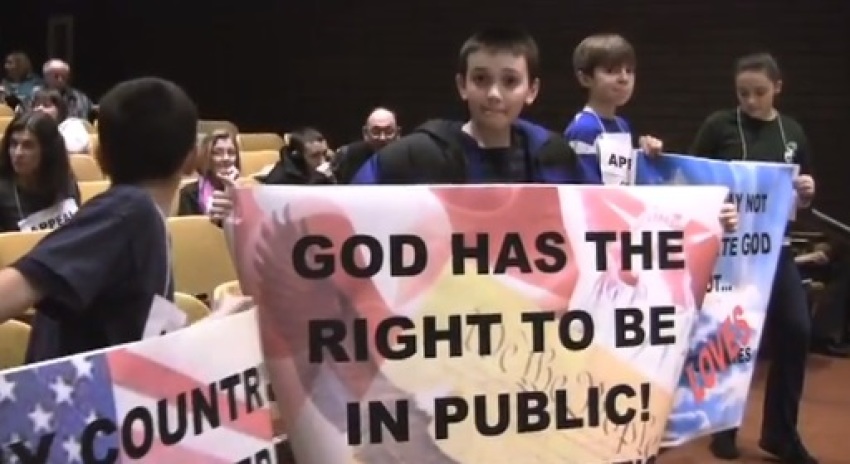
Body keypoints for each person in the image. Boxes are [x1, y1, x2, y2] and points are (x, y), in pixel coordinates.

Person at [0, 77, 199, 363]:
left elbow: (151, 342)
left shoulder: (143, 220)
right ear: (192, 158)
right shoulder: (128, 213)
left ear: (99, 156)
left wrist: (216, 325)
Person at [690, 52, 818, 464]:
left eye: (759, 92)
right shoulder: (718, 126)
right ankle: (722, 429)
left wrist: (808, 191)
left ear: (778, 88)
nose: (750, 101)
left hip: (774, 250)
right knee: (732, 336)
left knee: (797, 331)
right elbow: (694, 177)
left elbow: (803, 199)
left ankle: (781, 433)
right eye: (743, 93)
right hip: (729, 252)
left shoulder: (792, 131)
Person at [351, 27, 583, 184]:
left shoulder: (555, 156)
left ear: (532, 90)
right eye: (481, 79)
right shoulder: (414, 156)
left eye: (510, 81)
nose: (494, 94)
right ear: (462, 85)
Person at [563, 33, 664, 184]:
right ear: (585, 78)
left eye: (629, 71)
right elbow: (583, 190)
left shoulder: (622, 126)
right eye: (611, 71)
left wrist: (644, 152)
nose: (624, 78)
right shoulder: (584, 129)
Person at [0, 111, 79, 232]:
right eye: (14, 144)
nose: (18, 153)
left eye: (28, 146)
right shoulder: (3, 191)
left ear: (47, 151)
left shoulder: (65, 181)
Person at [178, 129, 240, 216]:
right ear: (206, 158)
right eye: (217, 153)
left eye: (231, 153)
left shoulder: (247, 191)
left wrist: (231, 189)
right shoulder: (189, 193)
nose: (226, 158)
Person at [333, 107, 400, 183]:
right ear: (365, 133)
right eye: (376, 132)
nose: (382, 138)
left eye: (389, 131)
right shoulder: (346, 155)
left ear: (398, 133)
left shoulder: (408, 158)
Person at [263, 127, 335, 185]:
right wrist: (318, 178)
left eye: (325, 153)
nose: (323, 161)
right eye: (315, 156)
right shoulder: (279, 180)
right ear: (298, 156)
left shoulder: (333, 163)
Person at [31, 87, 91, 153]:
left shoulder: (72, 124)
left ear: (60, 110)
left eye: (46, 105)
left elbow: (76, 146)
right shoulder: (28, 130)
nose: (40, 108)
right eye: (36, 105)